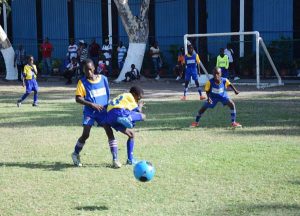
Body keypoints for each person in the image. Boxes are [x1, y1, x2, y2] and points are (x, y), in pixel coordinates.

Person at [71, 59, 116, 167]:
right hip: (89, 112)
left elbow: (107, 94)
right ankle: (75, 153)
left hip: (102, 112)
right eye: (86, 70)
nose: (89, 72)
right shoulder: (82, 82)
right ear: (83, 70)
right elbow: (78, 98)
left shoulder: (103, 79)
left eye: (90, 70)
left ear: (94, 68)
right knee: (86, 134)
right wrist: (92, 104)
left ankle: (115, 159)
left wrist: (108, 107)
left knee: (109, 132)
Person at [105, 86, 146, 166]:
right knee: (143, 116)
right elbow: (138, 111)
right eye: (138, 98)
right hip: (118, 112)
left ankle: (130, 160)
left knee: (131, 134)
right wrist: (140, 106)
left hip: (111, 117)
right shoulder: (130, 96)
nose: (138, 100)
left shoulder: (123, 96)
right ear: (134, 94)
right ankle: (128, 118)